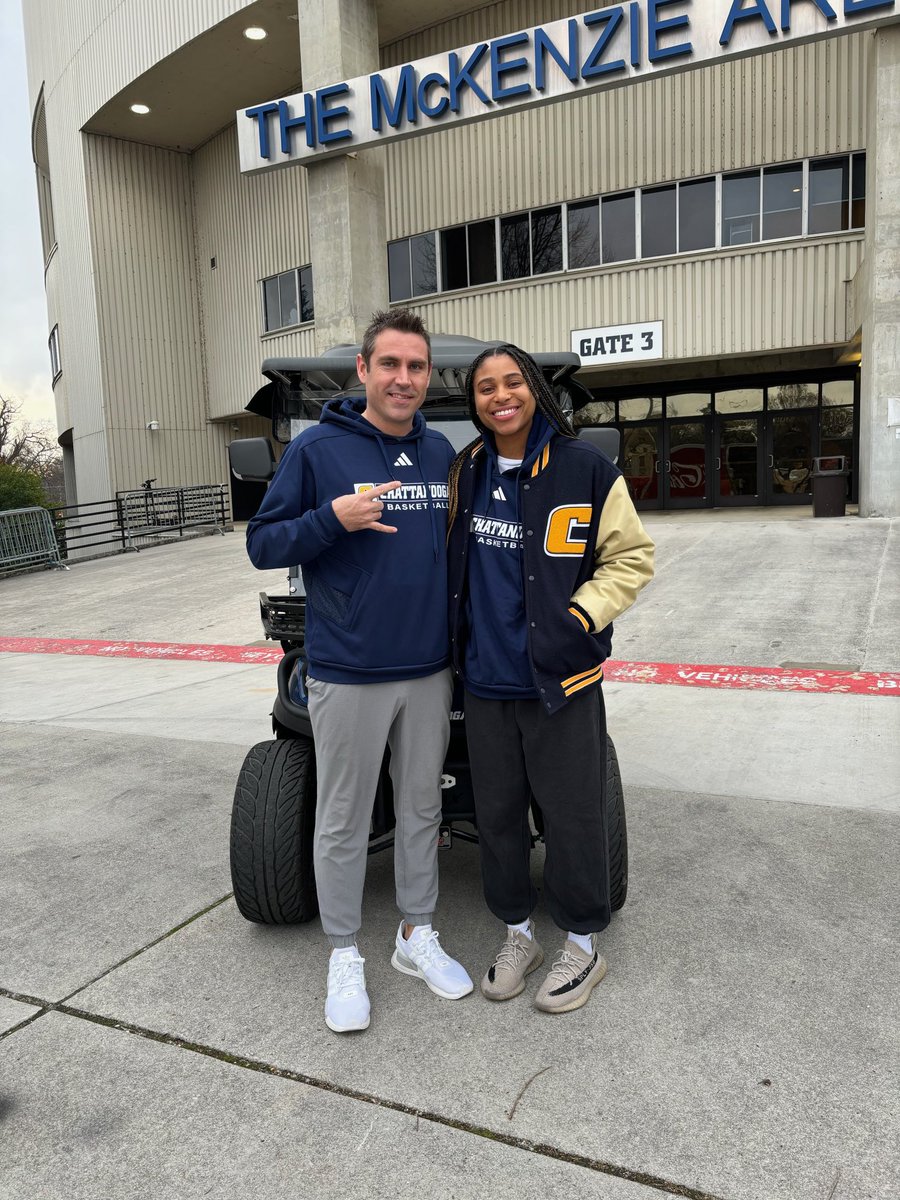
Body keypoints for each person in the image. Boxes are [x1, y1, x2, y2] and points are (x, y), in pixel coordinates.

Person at [246, 309, 472, 1034]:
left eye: (416, 366)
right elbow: (262, 542)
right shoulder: (317, 450)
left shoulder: (442, 454)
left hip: (430, 669)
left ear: (427, 376)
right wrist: (328, 522)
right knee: (341, 818)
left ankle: (416, 934)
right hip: (348, 670)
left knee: (422, 810)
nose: (404, 378)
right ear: (364, 373)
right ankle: (345, 952)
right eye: (391, 365)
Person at [446, 344, 654, 1014]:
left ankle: (583, 946)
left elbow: (631, 558)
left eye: (512, 382)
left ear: (535, 389)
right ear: (474, 402)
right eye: (485, 387)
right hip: (484, 682)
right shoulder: (465, 472)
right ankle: (518, 935)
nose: (500, 396)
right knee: (498, 817)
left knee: (573, 817)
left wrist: (576, 618)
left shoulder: (586, 469)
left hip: (561, 683)